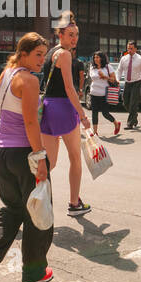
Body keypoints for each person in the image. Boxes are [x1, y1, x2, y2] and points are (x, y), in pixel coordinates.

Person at [0, 33, 55, 282]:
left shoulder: (6, 74)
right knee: (37, 213)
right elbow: (30, 122)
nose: (43, 60)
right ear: (23, 53)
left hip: (1, 154)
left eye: (44, 54)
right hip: (24, 155)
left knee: (13, 210)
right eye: (38, 54)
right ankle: (34, 272)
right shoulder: (29, 80)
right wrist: (41, 157)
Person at [40, 12, 92, 216]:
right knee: (75, 158)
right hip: (63, 108)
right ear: (60, 34)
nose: (74, 38)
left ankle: (25, 196)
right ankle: (74, 203)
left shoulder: (52, 52)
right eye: (70, 34)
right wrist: (83, 115)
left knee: (49, 163)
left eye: (76, 34)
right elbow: (70, 89)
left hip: (48, 108)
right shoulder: (65, 54)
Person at [87, 52, 122, 137]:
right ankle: (95, 131)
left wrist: (104, 77)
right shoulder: (92, 67)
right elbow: (92, 78)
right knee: (94, 112)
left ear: (102, 58)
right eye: (95, 57)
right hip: (94, 92)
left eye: (98, 57)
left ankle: (116, 123)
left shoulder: (108, 67)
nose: (96, 59)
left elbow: (114, 80)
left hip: (104, 93)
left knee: (105, 113)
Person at [116, 41, 141, 129]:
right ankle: (134, 115)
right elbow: (119, 70)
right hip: (127, 83)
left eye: (131, 48)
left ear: (135, 49)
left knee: (133, 103)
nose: (129, 50)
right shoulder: (124, 58)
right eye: (128, 48)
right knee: (125, 102)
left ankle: (130, 123)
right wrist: (117, 80)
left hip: (136, 83)